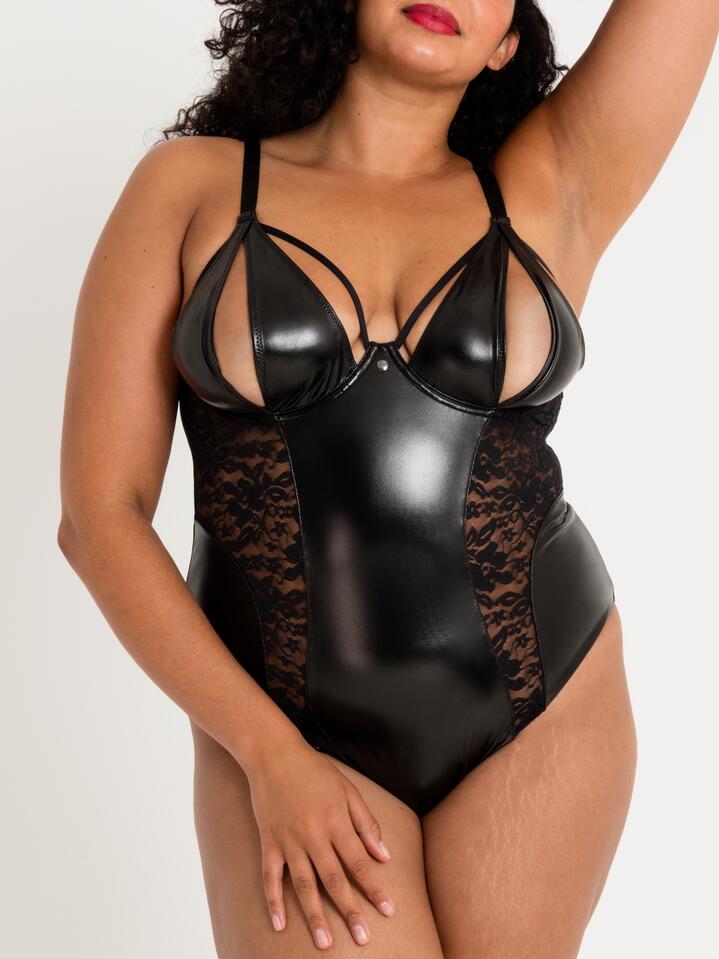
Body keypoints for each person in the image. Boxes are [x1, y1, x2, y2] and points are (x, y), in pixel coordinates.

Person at [57, 1, 718, 956]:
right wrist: (270, 753)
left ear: (506, 42)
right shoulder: (192, 186)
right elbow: (99, 517)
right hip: (282, 724)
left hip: (541, 710)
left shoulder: (549, 183)